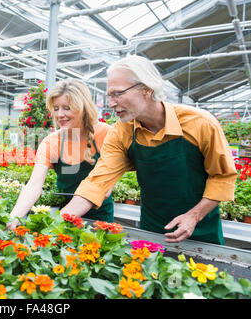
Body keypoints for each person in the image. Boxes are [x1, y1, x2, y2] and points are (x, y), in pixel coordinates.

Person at [60, 55, 238, 245]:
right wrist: (58, 221)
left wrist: (194, 216)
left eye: (117, 94)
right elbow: (97, 183)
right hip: (152, 229)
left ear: (146, 89)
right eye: (109, 96)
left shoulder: (200, 123)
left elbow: (222, 177)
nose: (111, 104)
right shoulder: (122, 133)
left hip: (202, 231)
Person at [6, 79, 114, 231]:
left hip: (98, 221)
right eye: (56, 108)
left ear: (82, 107)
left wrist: (56, 221)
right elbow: (34, 186)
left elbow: (105, 188)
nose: (60, 114)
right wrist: (14, 218)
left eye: (67, 108)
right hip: (65, 221)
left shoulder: (106, 134)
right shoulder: (52, 142)